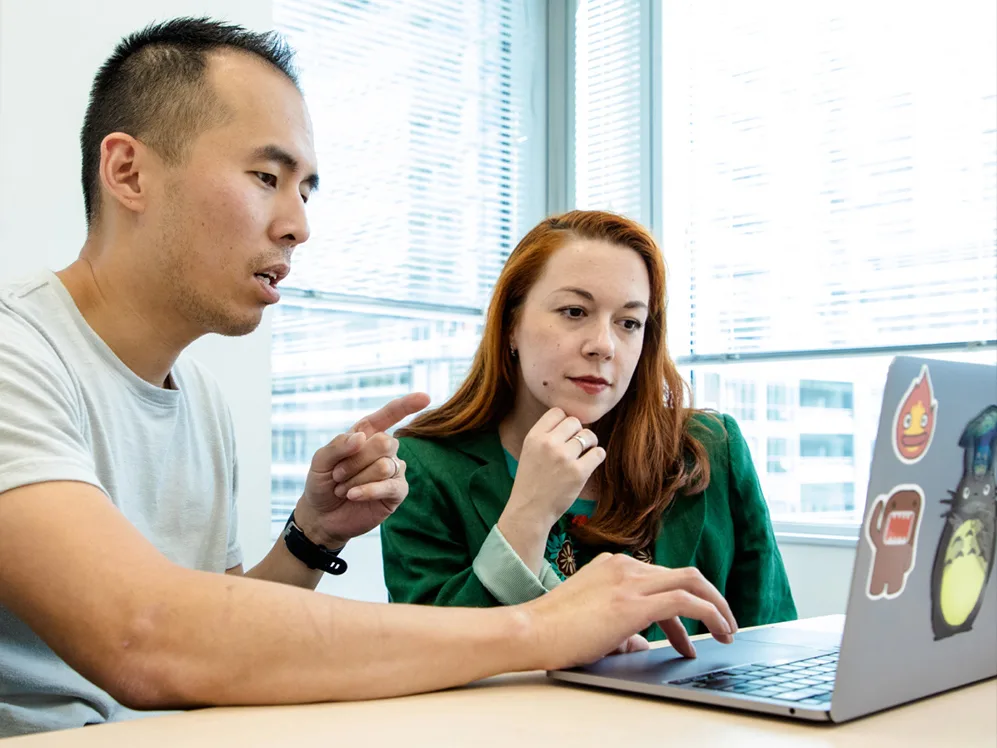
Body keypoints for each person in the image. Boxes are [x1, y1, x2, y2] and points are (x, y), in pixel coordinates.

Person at [0, 19, 738, 738]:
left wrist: (312, 536)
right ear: (128, 171)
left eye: (307, 189)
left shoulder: (199, 402)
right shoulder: (16, 353)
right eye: (266, 177)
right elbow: (145, 637)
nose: (297, 225)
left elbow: (221, 635)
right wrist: (541, 625)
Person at [381, 210, 796, 642]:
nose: (603, 345)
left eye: (629, 323)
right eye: (575, 311)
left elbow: (772, 637)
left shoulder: (711, 447)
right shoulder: (426, 466)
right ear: (511, 326)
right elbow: (430, 657)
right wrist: (530, 512)